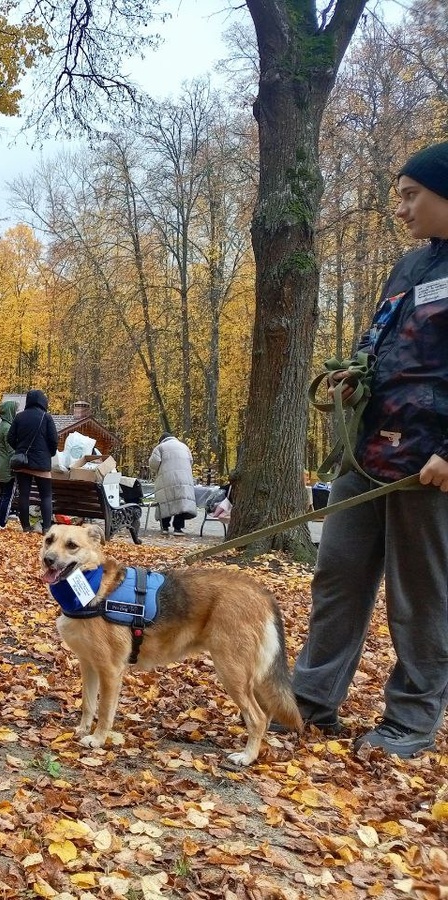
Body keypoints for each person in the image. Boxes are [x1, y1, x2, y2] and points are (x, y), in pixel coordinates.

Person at [287, 141, 448, 758]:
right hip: (369, 449)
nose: (402, 208)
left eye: (412, 195)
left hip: (430, 464)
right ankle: (310, 700)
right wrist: (356, 371)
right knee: (338, 576)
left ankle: (411, 718)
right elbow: (377, 342)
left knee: (422, 596)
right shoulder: (408, 268)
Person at [7, 390, 59, 533]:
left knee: (24, 494)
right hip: (41, 464)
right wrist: (50, 453)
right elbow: (54, 439)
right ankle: (47, 528)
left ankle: (26, 526)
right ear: (43, 401)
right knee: (46, 495)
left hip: (22, 463)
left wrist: (20, 449)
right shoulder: (46, 417)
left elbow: (10, 438)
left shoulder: (19, 417)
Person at [148, 433, 197, 536]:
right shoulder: (184, 447)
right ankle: (178, 528)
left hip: (167, 478)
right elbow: (191, 461)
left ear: (161, 440)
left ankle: (165, 527)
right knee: (181, 503)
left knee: (165, 501)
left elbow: (153, 463)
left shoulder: (160, 447)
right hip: (184, 478)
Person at [0, 400, 19, 529]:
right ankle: (1, 522)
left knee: (2, 496)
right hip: (7, 468)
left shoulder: (1, 426)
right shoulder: (7, 428)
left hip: (0, 467)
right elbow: (11, 450)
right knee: (7, 497)